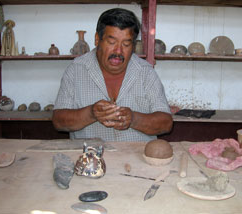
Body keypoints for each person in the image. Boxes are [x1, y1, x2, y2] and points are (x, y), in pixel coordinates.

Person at [52, 8, 173, 142]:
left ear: (133, 45)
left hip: (136, 158)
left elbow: (166, 123)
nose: (118, 51)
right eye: (111, 42)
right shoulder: (76, 70)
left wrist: (134, 119)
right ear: (97, 39)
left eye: (126, 44)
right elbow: (59, 121)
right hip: (89, 158)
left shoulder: (145, 72)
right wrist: (91, 113)